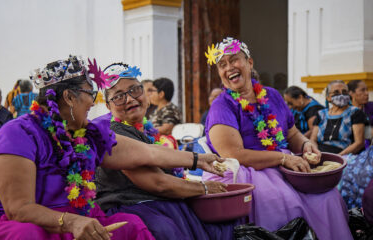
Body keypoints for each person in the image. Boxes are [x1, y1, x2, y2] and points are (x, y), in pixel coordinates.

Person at [0, 56, 223, 240]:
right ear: (70, 98)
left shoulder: (87, 133)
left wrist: (195, 159)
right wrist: (70, 221)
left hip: (76, 219)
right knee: (28, 234)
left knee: (131, 225)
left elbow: (147, 152)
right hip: (25, 226)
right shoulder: (18, 134)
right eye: (90, 93)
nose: (94, 102)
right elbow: (19, 210)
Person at [202, 37, 353, 239]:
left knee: (328, 196)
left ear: (249, 63)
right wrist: (283, 158)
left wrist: (307, 144)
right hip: (247, 169)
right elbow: (233, 153)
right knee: (284, 201)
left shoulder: (272, 95)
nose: (229, 67)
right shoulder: (222, 106)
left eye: (234, 60)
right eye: (222, 65)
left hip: (285, 165)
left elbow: (291, 133)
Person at [94, 62, 238, 240]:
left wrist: (199, 165)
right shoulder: (114, 133)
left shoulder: (146, 130)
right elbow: (158, 183)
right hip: (135, 206)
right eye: (119, 96)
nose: (130, 99)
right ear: (108, 106)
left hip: (162, 203)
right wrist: (204, 187)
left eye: (134, 90)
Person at [310, 80, 368, 155]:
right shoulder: (321, 114)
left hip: (344, 155)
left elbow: (359, 143)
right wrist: (316, 153)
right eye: (336, 92)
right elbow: (313, 139)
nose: (341, 95)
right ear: (328, 98)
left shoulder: (355, 113)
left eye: (344, 92)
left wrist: (338, 157)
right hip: (319, 153)